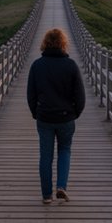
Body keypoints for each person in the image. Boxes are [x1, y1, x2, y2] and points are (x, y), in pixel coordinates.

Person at [27, 28, 86, 204]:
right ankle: (61, 186)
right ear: (63, 44)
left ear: (45, 43)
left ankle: (46, 195)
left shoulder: (37, 65)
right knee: (64, 150)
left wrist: (35, 113)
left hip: (44, 117)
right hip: (66, 117)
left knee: (45, 156)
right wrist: (75, 113)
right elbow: (80, 96)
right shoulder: (71, 65)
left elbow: (31, 94)